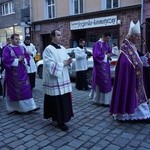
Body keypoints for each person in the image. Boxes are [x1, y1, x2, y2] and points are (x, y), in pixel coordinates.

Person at [110, 20, 150, 121]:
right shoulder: (125, 46)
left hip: (136, 76)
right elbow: (125, 63)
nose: (138, 38)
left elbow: (137, 59)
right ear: (131, 35)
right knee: (131, 94)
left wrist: (144, 58)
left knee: (138, 96)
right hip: (130, 76)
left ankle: (142, 115)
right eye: (136, 36)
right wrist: (137, 64)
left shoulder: (132, 46)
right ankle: (127, 115)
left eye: (138, 36)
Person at [43, 29, 74, 131]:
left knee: (64, 100)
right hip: (54, 80)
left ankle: (64, 118)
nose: (61, 37)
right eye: (58, 35)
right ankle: (59, 121)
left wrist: (69, 61)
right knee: (57, 101)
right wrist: (64, 63)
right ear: (52, 37)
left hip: (64, 77)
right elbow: (49, 65)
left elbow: (67, 59)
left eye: (61, 35)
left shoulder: (63, 48)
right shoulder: (48, 49)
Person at [2, 33, 40, 114]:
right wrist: (17, 60)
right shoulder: (7, 49)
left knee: (26, 89)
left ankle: (30, 107)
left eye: (18, 39)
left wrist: (24, 60)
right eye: (16, 39)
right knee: (15, 91)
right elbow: (5, 60)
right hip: (12, 74)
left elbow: (27, 57)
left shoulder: (22, 48)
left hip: (23, 72)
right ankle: (16, 108)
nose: (17, 40)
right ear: (11, 39)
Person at [89, 32, 112, 106]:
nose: (108, 40)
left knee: (106, 83)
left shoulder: (106, 43)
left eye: (109, 38)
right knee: (100, 83)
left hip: (106, 66)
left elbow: (109, 51)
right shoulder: (97, 44)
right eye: (107, 38)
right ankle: (98, 100)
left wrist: (109, 55)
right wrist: (106, 56)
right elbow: (96, 56)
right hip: (99, 67)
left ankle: (105, 101)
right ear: (104, 36)